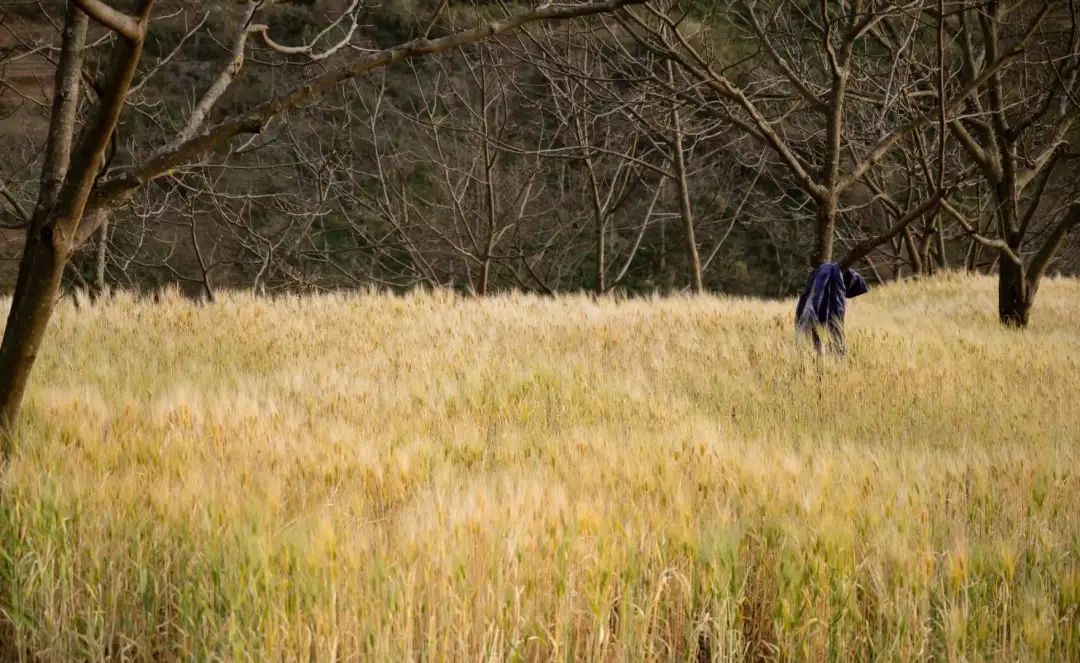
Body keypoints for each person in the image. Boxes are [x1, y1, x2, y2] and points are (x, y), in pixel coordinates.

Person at [795, 262, 868, 355]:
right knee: (827, 338)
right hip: (822, 315)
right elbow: (836, 311)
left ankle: (824, 358)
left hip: (815, 313)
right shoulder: (834, 284)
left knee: (820, 338)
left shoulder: (823, 278)